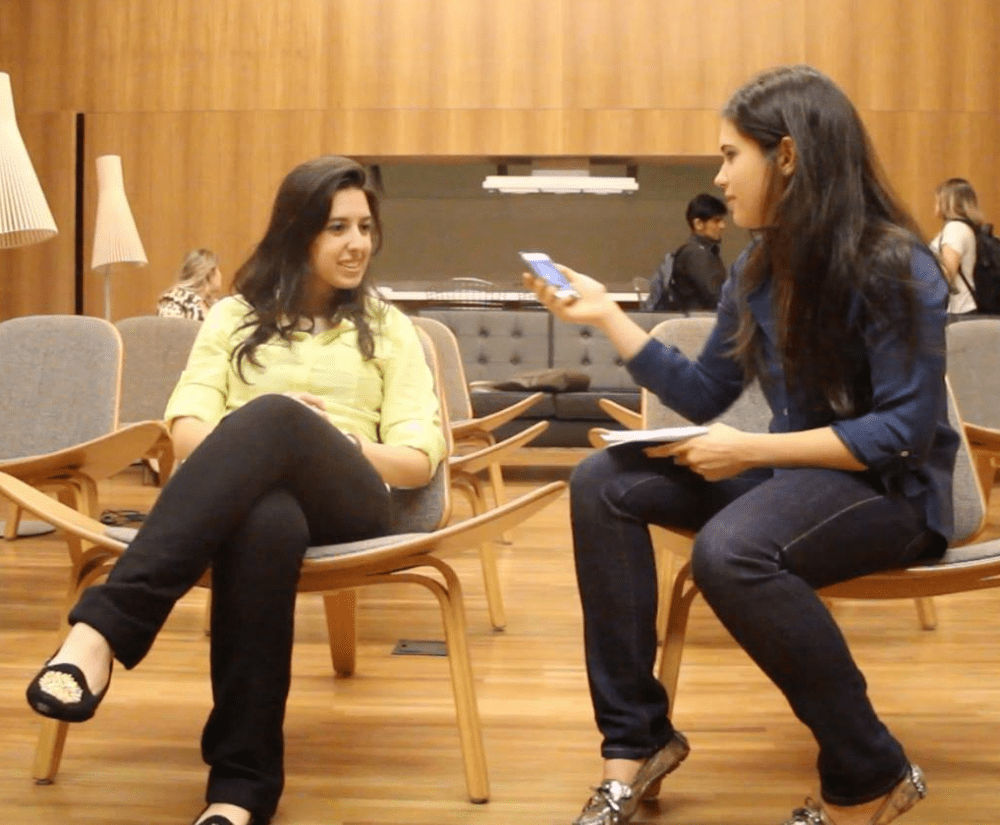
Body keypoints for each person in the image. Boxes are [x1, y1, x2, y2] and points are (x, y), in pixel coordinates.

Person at [525, 65, 952, 825]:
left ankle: (871, 771)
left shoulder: (893, 262)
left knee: (731, 549)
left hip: (899, 493)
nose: (719, 176)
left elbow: (901, 434)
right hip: (799, 475)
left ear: (786, 156)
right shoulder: (757, 265)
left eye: (731, 155)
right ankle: (637, 741)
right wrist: (606, 317)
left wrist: (748, 452)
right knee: (603, 480)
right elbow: (700, 394)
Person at [26, 155, 447, 825]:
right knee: (265, 520)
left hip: (356, 502)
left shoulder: (390, 327)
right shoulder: (232, 318)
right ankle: (240, 789)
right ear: (297, 230)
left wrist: (325, 437)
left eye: (365, 226)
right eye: (337, 226)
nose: (357, 242)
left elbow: (417, 459)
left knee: (279, 415)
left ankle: (103, 627)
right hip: (249, 508)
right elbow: (187, 430)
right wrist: (261, 431)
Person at [643, 193, 728, 311]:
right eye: (716, 221)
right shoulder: (696, 253)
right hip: (697, 324)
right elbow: (716, 297)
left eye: (723, 220)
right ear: (698, 224)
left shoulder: (698, 251)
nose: (722, 225)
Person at [929, 177, 985, 317]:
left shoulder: (955, 229)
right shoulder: (963, 228)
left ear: (949, 202)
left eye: (938, 200)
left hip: (957, 310)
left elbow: (947, 274)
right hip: (962, 308)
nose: (935, 205)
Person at [157, 247, 224, 320]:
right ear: (210, 273)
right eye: (218, 269)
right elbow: (170, 330)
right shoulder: (174, 301)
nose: (220, 275)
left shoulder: (214, 305)